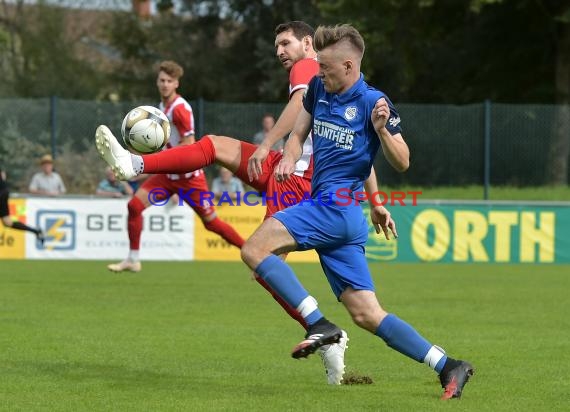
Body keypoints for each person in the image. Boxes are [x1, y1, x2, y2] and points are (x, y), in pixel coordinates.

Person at [95, 22, 386, 385]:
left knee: (261, 262)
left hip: (293, 177)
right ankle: (135, 164)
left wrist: (267, 146)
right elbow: (363, 155)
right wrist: (374, 199)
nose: (280, 50)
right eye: (276, 44)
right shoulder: (343, 85)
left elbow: (298, 105)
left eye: (285, 43)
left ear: (307, 43)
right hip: (292, 173)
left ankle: (324, 329)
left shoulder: (308, 67)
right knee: (214, 147)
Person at [239, 24, 474, 400]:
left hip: (333, 209)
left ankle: (319, 324)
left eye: (326, 68)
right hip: (344, 221)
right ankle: (448, 365)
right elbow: (299, 133)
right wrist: (290, 156)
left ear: (349, 66)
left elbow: (403, 161)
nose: (319, 74)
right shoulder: (319, 88)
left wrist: (382, 132)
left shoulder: (374, 102)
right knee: (367, 314)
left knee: (253, 249)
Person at [103, 60, 245, 273]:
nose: (165, 84)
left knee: (212, 223)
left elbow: (189, 145)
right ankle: (133, 259)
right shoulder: (160, 108)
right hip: (168, 177)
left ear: (177, 83)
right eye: (162, 80)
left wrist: (151, 163)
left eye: (169, 81)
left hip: (190, 179)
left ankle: (254, 255)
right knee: (134, 206)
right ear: (157, 81)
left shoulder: (179, 109)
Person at [1, 167, 45, 244]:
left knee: (7, 221)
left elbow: (3, 174)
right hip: (3, 191)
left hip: (2, 192)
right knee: (7, 222)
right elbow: (3, 175)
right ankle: (36, 231)